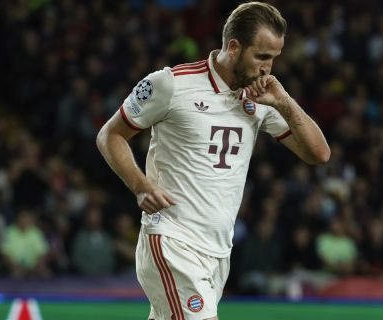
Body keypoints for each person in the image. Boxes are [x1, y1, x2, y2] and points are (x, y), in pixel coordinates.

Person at [97, 2, 330, 320]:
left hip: (218, 251)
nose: (268, 68)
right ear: (234, 47)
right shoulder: (171, 84)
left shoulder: (260, 97)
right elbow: (110, 135)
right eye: (262, 56)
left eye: (274, 58)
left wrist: (285, 103)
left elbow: (319, 154)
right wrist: (140, 185)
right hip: (172, 239)